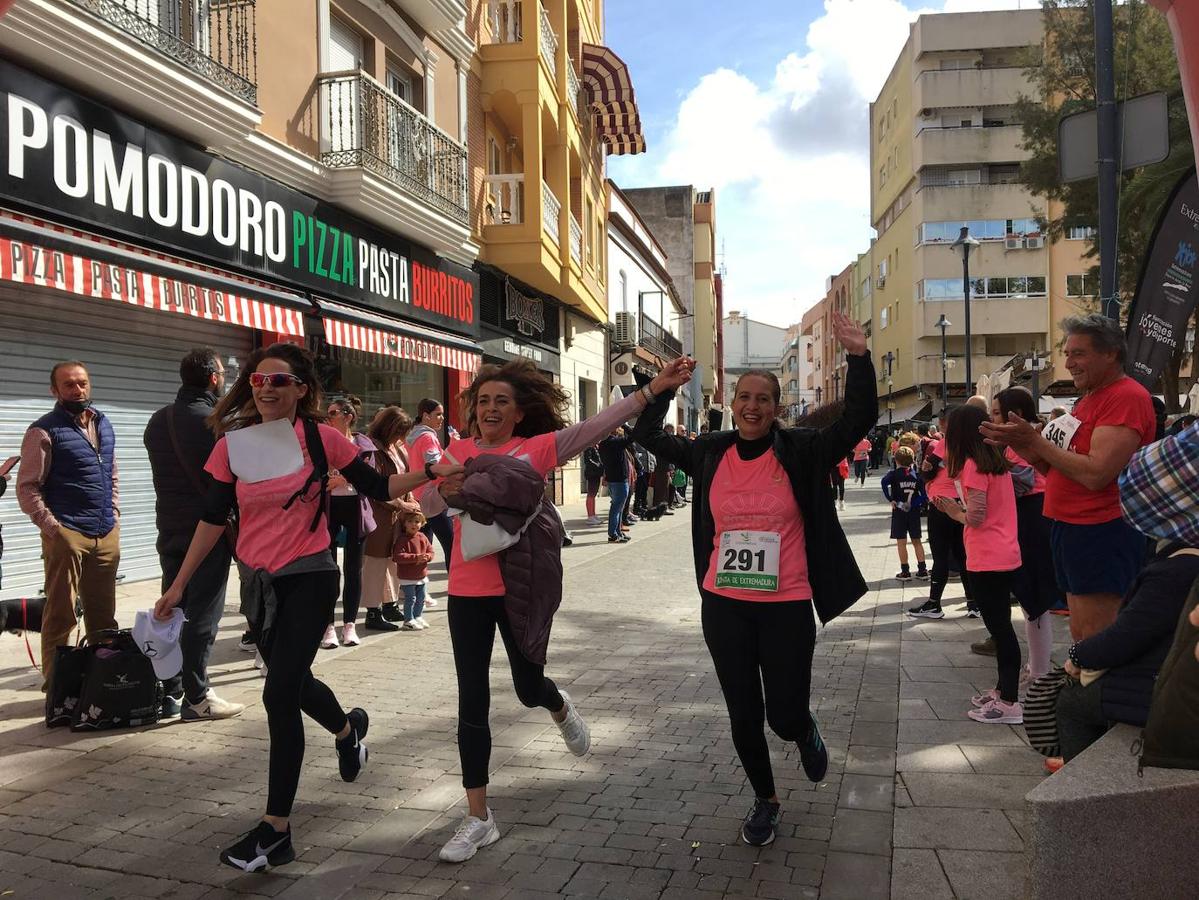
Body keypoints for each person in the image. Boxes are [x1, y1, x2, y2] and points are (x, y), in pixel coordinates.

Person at [153, 343, 460, 872]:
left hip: (312, 577)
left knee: (277, 693)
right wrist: (178, 586)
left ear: (301, 389)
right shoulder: (232, 446)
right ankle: (348, 731)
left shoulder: (323, 438)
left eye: (279, 381)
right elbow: (211, 517)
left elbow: (378, 485)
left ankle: (276, 832)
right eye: (258, 381)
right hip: (259, 585)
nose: (267, 388)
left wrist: (435, 475)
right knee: (293, 683)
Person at [421, 356, 695, 863]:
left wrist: (653, 388)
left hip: (518, 589)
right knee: (471, 700)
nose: (491, 409)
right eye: (483, 401)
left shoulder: (535, 450)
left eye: (502, 401)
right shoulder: (454, 452)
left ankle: (558, 705)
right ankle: (479, 818)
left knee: (528, 688)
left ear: (519, 412)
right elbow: (428, 508)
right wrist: (440, 483)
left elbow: (597, 427)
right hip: (466, 592)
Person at [631, 313, 875, 849]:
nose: (752, 406)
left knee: (783, 716)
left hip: (786, 604)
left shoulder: (802, 450)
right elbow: (645, 434)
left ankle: (804, 730)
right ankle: (765, 799)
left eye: (764, 398)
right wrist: (663, 388)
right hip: (724, 605)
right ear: (733, 402)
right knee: (744, 713)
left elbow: (859, 420)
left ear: (777, 408)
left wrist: (859, 357)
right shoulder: (710, 451)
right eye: (744, 396)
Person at [981, 314, 1156, 641]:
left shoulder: (1126, 396)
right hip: (1071, 527)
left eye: (1079, 353)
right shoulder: (1089, 398)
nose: (1068, 362)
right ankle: (1082, 684)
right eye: (1067, 353)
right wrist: (1030, 450)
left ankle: (1091, 689)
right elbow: (1060, 469)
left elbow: (1096, 474)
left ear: (1111, 354)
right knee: (1081, 631)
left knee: (1096, 635)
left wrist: (1036, 443)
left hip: (1100, 529)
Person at [143, 348, 243, 721]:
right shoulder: (215, 424)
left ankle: (171, 690)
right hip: (206, 532)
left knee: (174, 607)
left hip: (168, 528)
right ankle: (198, 697)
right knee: (202, 616)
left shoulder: (158, 420)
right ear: (214, 379)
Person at [17, 361, 119, 686]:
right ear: (54, 390)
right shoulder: (43, 430)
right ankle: (58, 687)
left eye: (83, 383)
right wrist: (53, 529)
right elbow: (27, 487)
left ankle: (103, 681)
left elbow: (111, 473)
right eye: (69, 385)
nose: (79, 390)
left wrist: (114, 514)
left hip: (104, 531)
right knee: (61, 614)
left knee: (104, 618)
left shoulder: (103, 423)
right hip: (67, 533)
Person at [1056, 541, 1199, 760]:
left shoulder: (1175, 571)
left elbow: (1122, 640)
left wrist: (1077, 656)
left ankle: (1079, 783)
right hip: (1168, 677)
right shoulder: (1177, 567)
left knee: (1072, 700)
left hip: (1168, 689)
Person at [935, 404, 1023, 725]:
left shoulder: (972, 466)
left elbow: (976, 516)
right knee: (1000, 627)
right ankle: (1003, 690)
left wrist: (951, 511)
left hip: (987, 557)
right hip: (1003, 552)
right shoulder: (994, 463)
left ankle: (1010, 701)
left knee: (999, 628)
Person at [992, 388, 1060, 681]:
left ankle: (1040, 669)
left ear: (1014, 414)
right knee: (1031, 599)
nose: (991, 418)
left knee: (1035, 596)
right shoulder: (1020, 439)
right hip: (1031, 515)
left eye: (996, 413)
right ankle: (1037, 665)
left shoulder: (1026, 439)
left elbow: (1023, 480)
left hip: (1034, 517)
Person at [909, 408, 976, 619]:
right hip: (961, 502)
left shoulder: (946, 443)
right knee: (962, 554)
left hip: (941, 503)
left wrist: (927, 467)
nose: (940, 428)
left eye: (942, 424)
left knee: (940, 556)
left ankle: (934, 603)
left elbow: (927, 471)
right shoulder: (973, 444)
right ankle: (973, 602)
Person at [321, 396, 376, 648]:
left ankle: (350, 625)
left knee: (354, 570)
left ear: (348, 416)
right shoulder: (320, 442)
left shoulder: (363, 445)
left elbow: (370, 479)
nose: (329, 417)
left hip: (356, 507)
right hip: (328, 510)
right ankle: (328, 626)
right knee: (329, 571)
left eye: (333, 413)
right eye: (327, 413)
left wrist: (344, 479)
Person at [361, 407, 421, 632]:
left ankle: (389, 604)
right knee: (375, 565)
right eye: (400, 432)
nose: (402, 438)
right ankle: (372, 611)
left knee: (393, 562)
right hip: (378, 515)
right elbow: (374, 487)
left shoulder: (395, 448)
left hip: (396, 516)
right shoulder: (372, 449)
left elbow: (404, 477)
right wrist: (402, 504)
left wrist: (410, 498)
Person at [408, 399, 455, 574]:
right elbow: (435, 465)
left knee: (423, 546)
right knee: (451, 544)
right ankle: (456, 588)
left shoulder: (414, 436)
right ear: (426, 416)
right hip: (434, 498)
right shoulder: (427, 437)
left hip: (419, 495)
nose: (442, 418)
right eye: (438, 414)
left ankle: (418, 588)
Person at [882, 446, 928, 582]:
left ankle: (905, 571)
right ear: (913, 460)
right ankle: (922, 569)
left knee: (901, 542)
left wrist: (891, 499)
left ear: (896, 460)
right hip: (913, 511)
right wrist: (915, 503)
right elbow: (924, 495)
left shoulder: (894, 474)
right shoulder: (916, 476)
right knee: (917, 541)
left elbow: (883, 483)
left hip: (899, 511)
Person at [393, 509, 434, 630]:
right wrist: (416, 558)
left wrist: (428, 557)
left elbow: (431, 550)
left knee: (421, 598)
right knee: (410, 598)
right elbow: (398, 556)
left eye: (417, 521)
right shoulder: (402, 539)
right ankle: (408, 619)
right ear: (404, 523)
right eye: (410, 521)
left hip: (421, 575)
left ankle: (417, 616)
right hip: (407, 576)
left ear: (422, 523)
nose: (413, 524)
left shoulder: (422, 537)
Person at [599, 427, 632, 544]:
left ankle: (618, 532)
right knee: (616, 508)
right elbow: (633, 436)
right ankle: (613, 534)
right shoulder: (616, 442)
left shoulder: (602, 444)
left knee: (618, 507)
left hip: (612, 479)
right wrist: (625, 425)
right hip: (620, 480)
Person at [582, 443, 603, 525]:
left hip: (595, 473)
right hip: (592, 473)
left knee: (593, 495)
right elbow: (588, 460)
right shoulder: (589, 446)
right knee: (591, 495)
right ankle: (590, 516)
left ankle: (593, 514)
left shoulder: (595, 446)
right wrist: (599, 466)